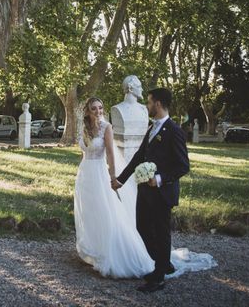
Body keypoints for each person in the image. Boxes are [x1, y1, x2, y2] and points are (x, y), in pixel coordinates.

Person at [112, 88, 189, 292]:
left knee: (161, 233)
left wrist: (160, 178)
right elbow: (139, 156)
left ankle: (159, 276)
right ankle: (163, 263)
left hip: (162, 193)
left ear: (158, 104)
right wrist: (120, 180)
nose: (147, 105)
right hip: (145, 192)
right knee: (142, 229)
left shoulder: (174, 131)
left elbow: (183, 166)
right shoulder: (151, 128)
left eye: (149, 102)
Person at [74, 97, 155, 278]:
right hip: (85, 174)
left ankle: (114, 253)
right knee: (89, 212)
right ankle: (95, 249)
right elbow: (83, 152)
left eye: (101, 108)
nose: (98, 111)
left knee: (106, 212)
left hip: (99, 174)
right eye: (94, 109)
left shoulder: (106, 127)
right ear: (88, 111)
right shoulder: (84, 128)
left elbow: (110, 153)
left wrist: (112, 177)